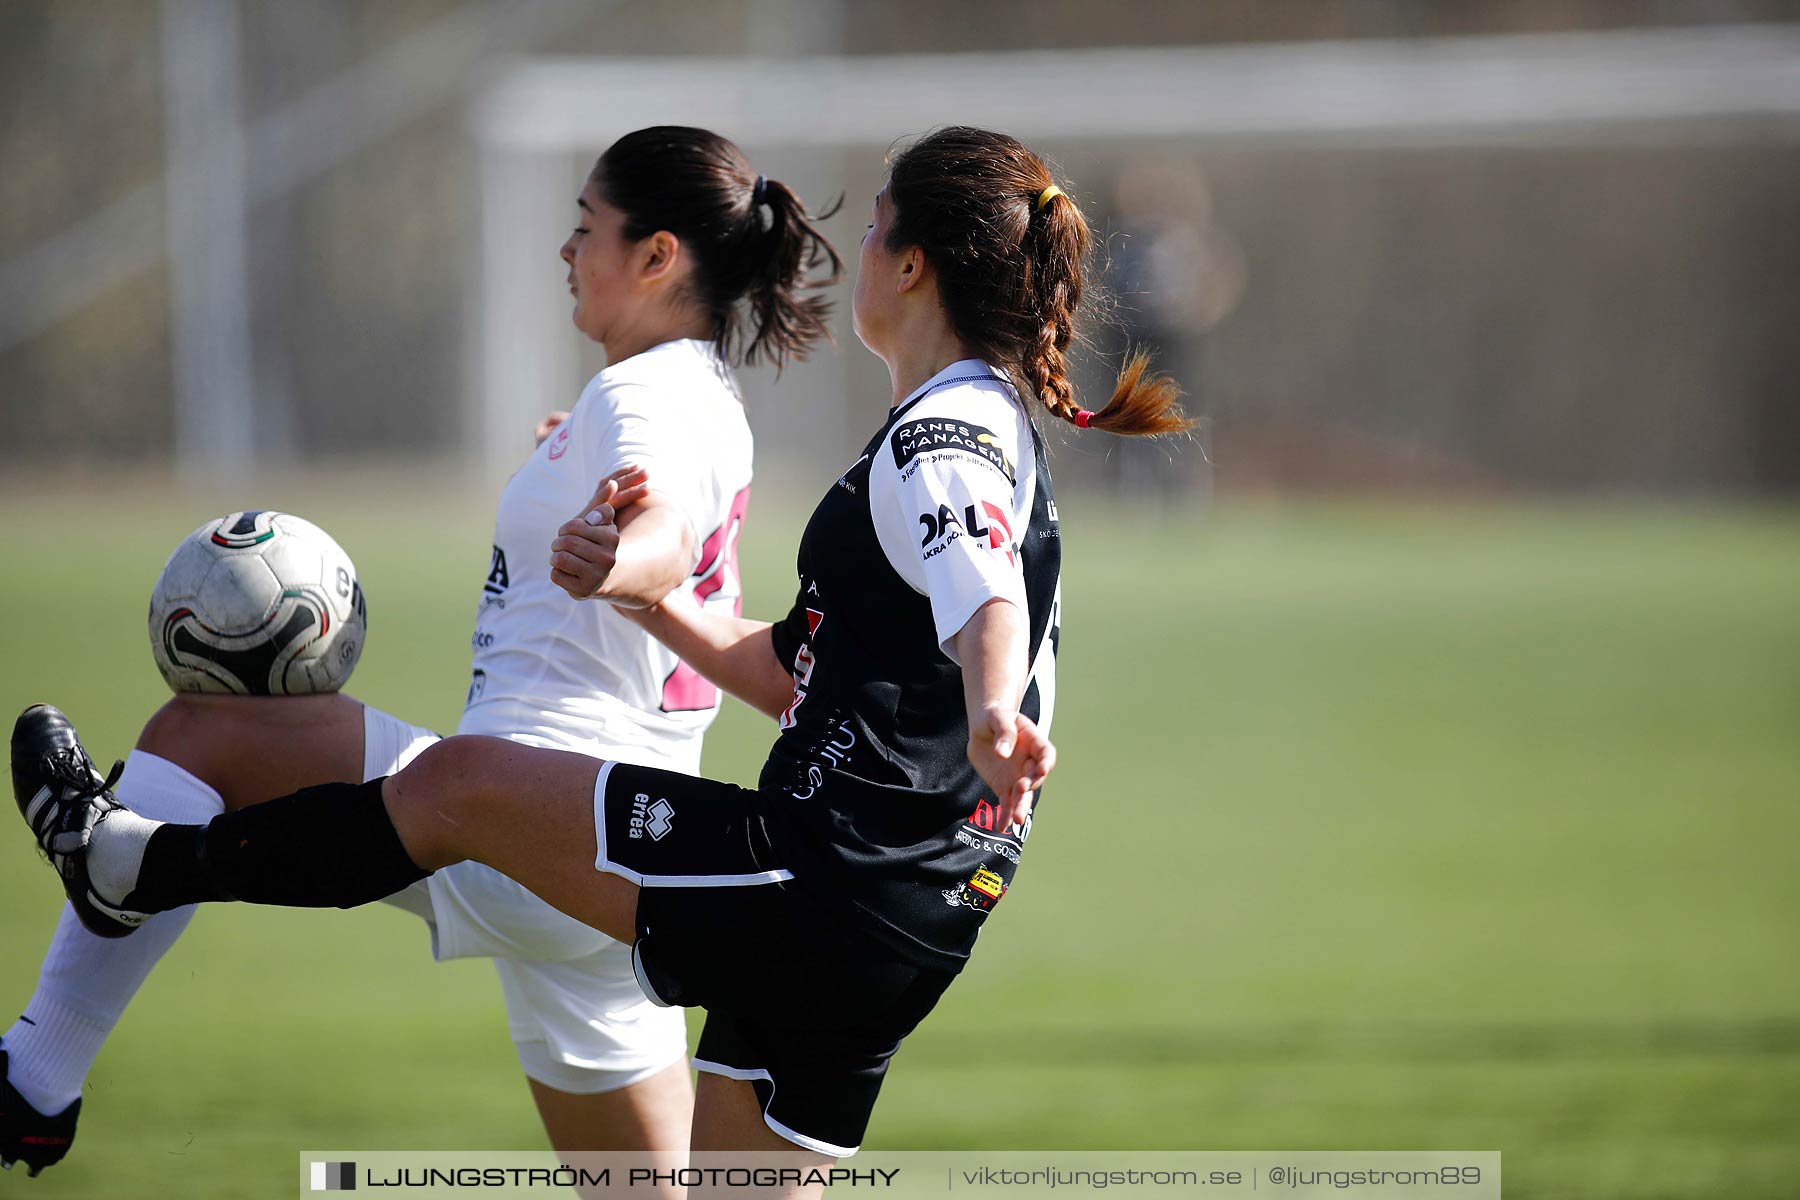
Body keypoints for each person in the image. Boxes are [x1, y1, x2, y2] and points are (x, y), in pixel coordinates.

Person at [14, 125, 1190, 1186]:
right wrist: (644, 591)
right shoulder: (930, 420)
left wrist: (989, 707)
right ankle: (81, 980)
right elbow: (786, 670)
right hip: (908, 906)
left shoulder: (935, 427)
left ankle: (130, 883)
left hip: (798, 874)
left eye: (878, 224)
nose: (863, 245)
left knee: (427, 778)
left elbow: (966, 573)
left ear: (913, 263)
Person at [0, 125, 841, 1179]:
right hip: (613, 871)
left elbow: (661, 524)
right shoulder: (689, 393)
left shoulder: (647, 394)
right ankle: (51, 1042)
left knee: (202, 731)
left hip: (523, 822)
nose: (567, 251)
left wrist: (631, 558)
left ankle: (38, 1068)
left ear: (658, 256)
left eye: (587, 229)